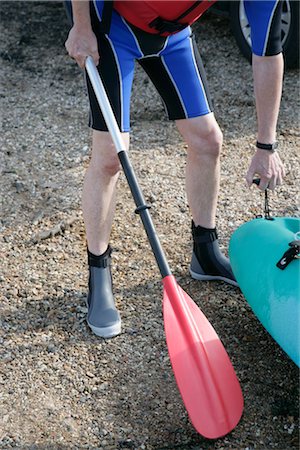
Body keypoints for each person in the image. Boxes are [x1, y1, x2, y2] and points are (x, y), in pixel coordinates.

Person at [65, 0, 286, 338]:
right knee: (110, 153)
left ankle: (205, 252)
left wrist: (265, 146)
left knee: (208, 140)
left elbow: (268, 55)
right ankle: (99, 275)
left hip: (171, 34)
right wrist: (81, 26)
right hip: (111, 24)